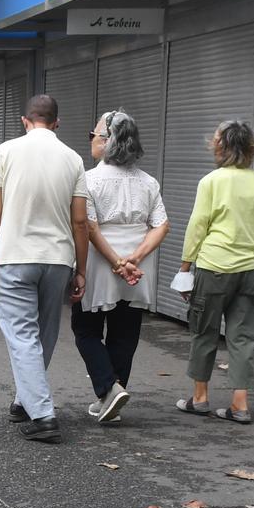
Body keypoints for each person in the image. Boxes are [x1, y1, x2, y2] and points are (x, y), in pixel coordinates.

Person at [0, 93, 88, 444]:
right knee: (44, 334)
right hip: (57, 259)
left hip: (14, 256)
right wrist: (80, 269)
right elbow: (80, 221)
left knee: (23, 336)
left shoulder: (6, 151)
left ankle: (43, 415)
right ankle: (23, 401)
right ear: (57, 122)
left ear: (25, 120)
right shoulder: (73, 159)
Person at [178, 119, 254, 424]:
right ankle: (240, 405)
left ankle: (200, 398)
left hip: (214, 268)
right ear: (250, 148)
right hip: (250, 270)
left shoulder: (211, 181)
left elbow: (198, 226)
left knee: (204, 332)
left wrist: (185, 267)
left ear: (220, 146)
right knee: (244, 337)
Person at [74, 111, 169, 423]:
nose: (91, 140)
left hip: (102, 263)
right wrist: (135, 259)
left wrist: (117, 262)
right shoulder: (148, 182)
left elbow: (89, 227)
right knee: (125, 332)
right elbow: (161, 226)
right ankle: (113, 395)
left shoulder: (89, 180)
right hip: (138, 267)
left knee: (85, 329)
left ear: (106, 141)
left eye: (94, 135)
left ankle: (108, 388)